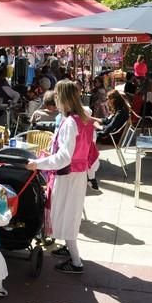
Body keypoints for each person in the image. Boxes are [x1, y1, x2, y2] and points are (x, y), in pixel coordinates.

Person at [26, 80, 98, 274]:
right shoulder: (84, 120)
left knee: (66, 216)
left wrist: (39, 164)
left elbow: (64, 157)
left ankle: (76, 262)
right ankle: (70, 251)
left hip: (67, 176)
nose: (55, 99)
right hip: (78, 174)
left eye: (57, 96)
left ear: (63, 98)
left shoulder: (69, 123)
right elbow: (89, 151)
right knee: (70, 214)